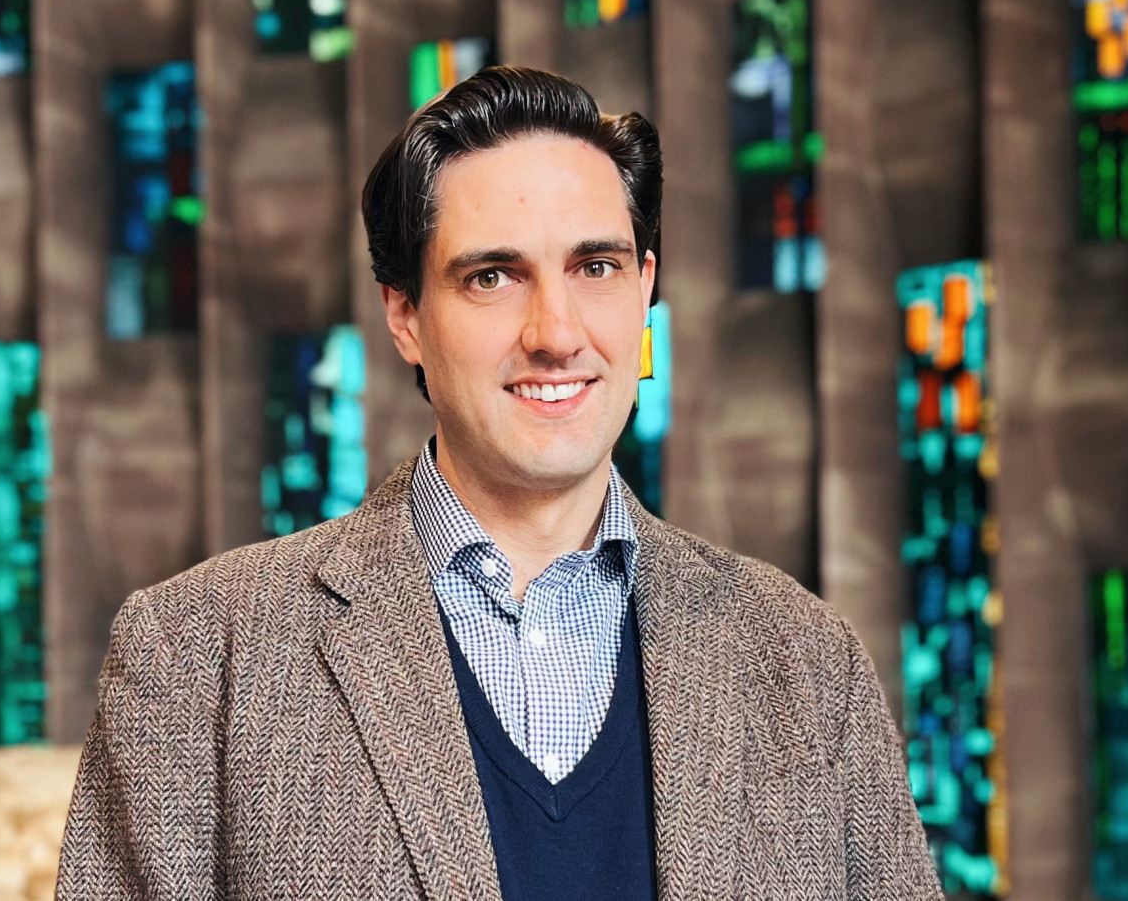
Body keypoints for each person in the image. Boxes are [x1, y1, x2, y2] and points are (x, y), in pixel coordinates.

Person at [54, 66, 941, 900]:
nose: (556, 332)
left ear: (645, 291)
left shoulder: (809, 663)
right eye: (492, 277)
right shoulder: (198, 658)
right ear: (405, 317)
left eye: (596, 267)